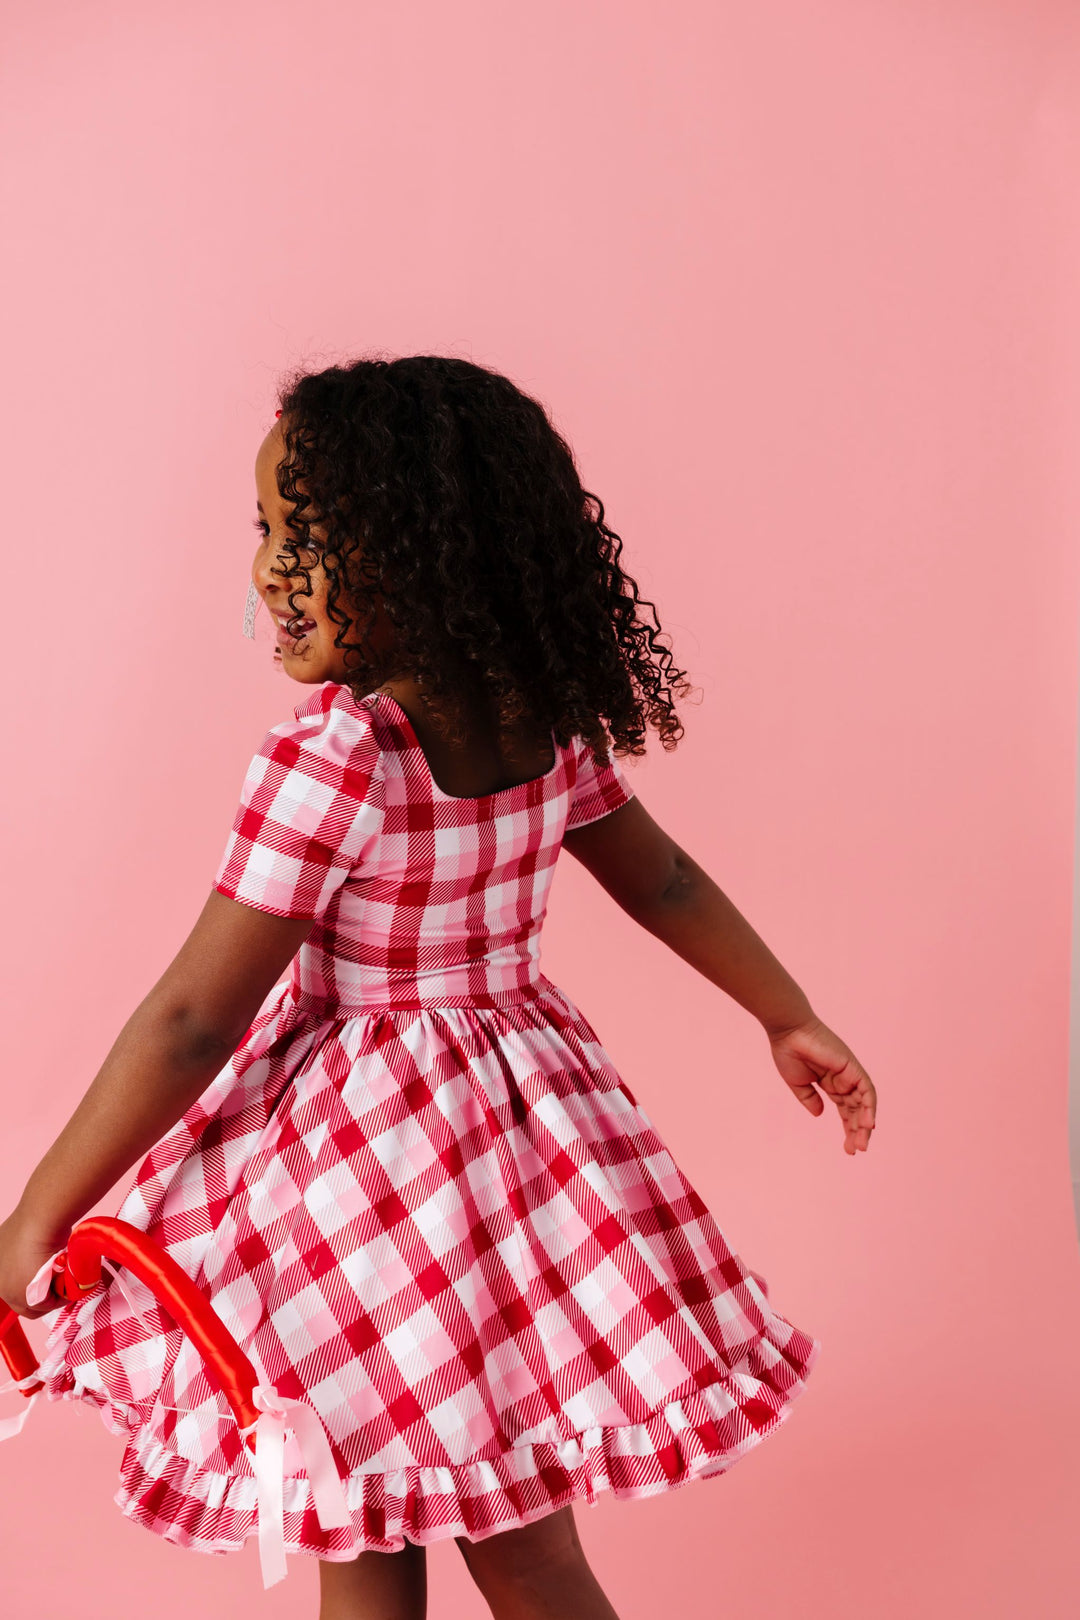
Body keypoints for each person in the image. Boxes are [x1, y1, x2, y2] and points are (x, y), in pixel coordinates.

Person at [0, 354, 875, 1620]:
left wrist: (40, 1211)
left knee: (362, 1529)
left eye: (311, 539)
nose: (271, 572)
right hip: (523, 1162)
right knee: (528, 1545)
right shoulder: (542, 722)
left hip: (357, 1181)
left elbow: (194, 1018)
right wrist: (785, 1012)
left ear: (425, 558)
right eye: (268, 532)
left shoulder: (339, 759)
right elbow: (666, 880)